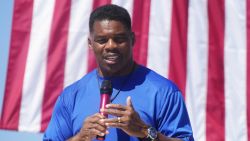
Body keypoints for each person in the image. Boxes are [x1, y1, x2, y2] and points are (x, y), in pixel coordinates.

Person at [43, 4, 194, 141]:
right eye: (102, 40)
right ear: (90, 43)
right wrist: (81, 137)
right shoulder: (71, 96)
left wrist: (144, 130)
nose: (111, 46)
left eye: (119, 39)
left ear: (132, 40)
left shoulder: (164, 92)